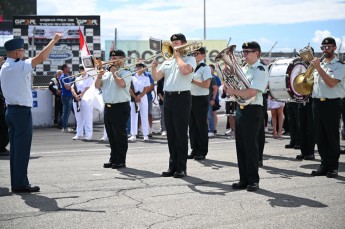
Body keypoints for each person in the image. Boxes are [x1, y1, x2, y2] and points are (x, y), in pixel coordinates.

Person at [0, 34, 62, 192]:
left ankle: (17, 182)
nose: (23, 53)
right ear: (16, 53)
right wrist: (54, 41)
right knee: (22, 149)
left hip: (12, 111)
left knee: (16, 150)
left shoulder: (6, 66)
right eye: (21, 50)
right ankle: (20, 184)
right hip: (21, 112)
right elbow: (41, 57)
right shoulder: (17, 66)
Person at [223, 41, 268, 191]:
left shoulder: (260, 69)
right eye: (243, 52)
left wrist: (233, 92)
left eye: (248, 52)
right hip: (241, 109)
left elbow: (252, 92)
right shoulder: (244, 68)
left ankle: (253, 180)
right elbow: (237, 87)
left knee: (251, 147)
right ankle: (244, 179)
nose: (244, 54)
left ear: (257, 53)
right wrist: (227, 82)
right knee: (241, 147)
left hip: (253, 109)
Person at [151, 33, 196, 178]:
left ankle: (181, 168)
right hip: (168, 98)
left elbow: (184, 71)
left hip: (182, 97)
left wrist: (178, 56)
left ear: (184, 43)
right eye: (173, 43)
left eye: (177, 42)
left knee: (181, 134)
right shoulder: (168, 60)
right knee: (171, 135)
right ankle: (172, 166)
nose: (174, 44)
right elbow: (157, 77)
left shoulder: (190, 59)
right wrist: (153, 67)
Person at [310, 37, 345, 178]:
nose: (325, 50)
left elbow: (331, 83)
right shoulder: (320, 64)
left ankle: (333, 167)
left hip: (332, 103)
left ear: (335, 48)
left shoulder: (339, 66)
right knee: (320, 136)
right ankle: (323, 165)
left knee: (331, 136)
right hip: (317, 103)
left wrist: (318, 68)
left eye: (328, 47)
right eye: (323, 47)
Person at [95, 50, 131, 169]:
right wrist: (99, 76)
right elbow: (97, 86)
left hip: (120, 106)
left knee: (119, 135)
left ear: (122, 59)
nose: (112, 59)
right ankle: (113, 158)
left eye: (115, 57)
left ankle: (121, 160)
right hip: (108, 106)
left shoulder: (126, 72)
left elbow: (121, 84)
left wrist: (114, 73)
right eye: (111, 57)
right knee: (111, 135)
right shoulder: (106, 73)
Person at [187, 47, 212, 160]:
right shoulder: (190, 67)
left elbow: (206, 84)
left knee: (201, 126)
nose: (194, 56)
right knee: (192, 126)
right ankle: (194, 149)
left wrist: (192, 80)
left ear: (203, 55)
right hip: (190, 98)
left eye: (196, 54)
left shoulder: (205, 68)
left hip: (201, 98)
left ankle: (202, 151)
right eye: (193, 54)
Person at [128, 63, 151, 142]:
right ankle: (133, 134)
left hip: (143, 97)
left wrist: (140, 96)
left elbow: (146, 89)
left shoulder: (146, 78)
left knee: (144, 115)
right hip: (134, 97)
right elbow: (130, 88)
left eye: (141, 67)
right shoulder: (132, 77)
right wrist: (135, 97)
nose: (139, 68)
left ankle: (145, 135)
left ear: (143, 68)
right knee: (133, 115)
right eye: (138, 67)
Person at [71, 65, 94, 140]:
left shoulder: (90, 77)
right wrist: (76, 96)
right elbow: (72, 88)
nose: (82, 70)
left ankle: (88, 135)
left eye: (83, 69)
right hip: (77, 99)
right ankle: (79, 134)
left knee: (87, 117)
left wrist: (81, 95)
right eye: (81, 69)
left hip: (86, 99)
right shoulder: (77, 78)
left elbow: (88, 88)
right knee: (78, 118)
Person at [59, 63, 73, 132]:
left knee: (67, 112)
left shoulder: (66, 76)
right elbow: (67, 88)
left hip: (69, 96)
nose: (69, 68)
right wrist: (73, 87)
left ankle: (65, 126)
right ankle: (64, 127)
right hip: (66, 96)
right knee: (66, 112)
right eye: (68, 67)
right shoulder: (63, 77)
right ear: (64, 69)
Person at [209, 64, 221, 134]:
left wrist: (213, 98)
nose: (209, 70)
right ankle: (210, 128)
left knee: (213, 113)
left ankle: (214, 128)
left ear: (213, 70)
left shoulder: (215, 78)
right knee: (209, 114)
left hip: (214, 98)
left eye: (211, 69)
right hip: (209, 98)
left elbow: (217, 87)